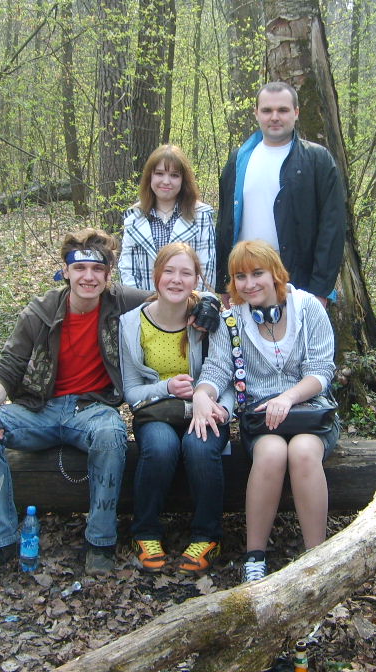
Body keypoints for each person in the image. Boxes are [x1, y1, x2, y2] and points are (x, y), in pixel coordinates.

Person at [0, 228, 219, 578]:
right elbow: (7, 370)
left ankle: (100, 542)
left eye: (97, 269)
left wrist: (209, 302)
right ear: (65, 271)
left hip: (92, 410)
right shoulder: (39, 312)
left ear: (108, 274)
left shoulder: (121, 301)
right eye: (79, 268)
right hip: (39, 410)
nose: (88, 277)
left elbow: (173, 291)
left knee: (112, 434)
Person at [194, 240, 339, 582]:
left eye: (257, 273)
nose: (249, 284)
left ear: (275, 272)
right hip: (262, 420)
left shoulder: (308, 308)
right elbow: (217, 369)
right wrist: (202, 394)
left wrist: (288, 397)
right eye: (240, 276)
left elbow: (322, 370)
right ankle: (255, 558)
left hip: (311, 412)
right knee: (271, 453)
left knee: (303, 452)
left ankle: (316, 559)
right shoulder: (231, 321)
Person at [119, 243, 233, 575]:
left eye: (186, 273)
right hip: (158, 411)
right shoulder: (131, 324)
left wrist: (224, 409)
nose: (176, 279)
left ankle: (207, 536)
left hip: (207, 408)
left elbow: (225, 371)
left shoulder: (207, 319)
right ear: (156, 276)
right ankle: (145, 532)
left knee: (199, 446)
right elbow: (131, 391)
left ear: (196, 279)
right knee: (160, 446)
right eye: (169, 271)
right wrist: (166, 387)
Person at [215, 82, 346, 306]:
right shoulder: (239, 159)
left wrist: (320, 291)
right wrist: (224, 284)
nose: (274, 117)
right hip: (245, 282)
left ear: (296, 112)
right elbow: (225, 223)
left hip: (298, 284)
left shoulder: (317, 160)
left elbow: (332, 228)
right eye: (267, 110)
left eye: (283, 110)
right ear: (256, 113)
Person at [119, 144, 217, 292]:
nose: (166, 181)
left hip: (189, 303)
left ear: (183, 180)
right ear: (150, 176)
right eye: (159, 173)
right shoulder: (134, 217)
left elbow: (206, 272)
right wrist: (146, 304)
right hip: (144, 302)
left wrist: (192, 303)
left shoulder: (201, 216)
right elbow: (128, 272)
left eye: (174, 175)